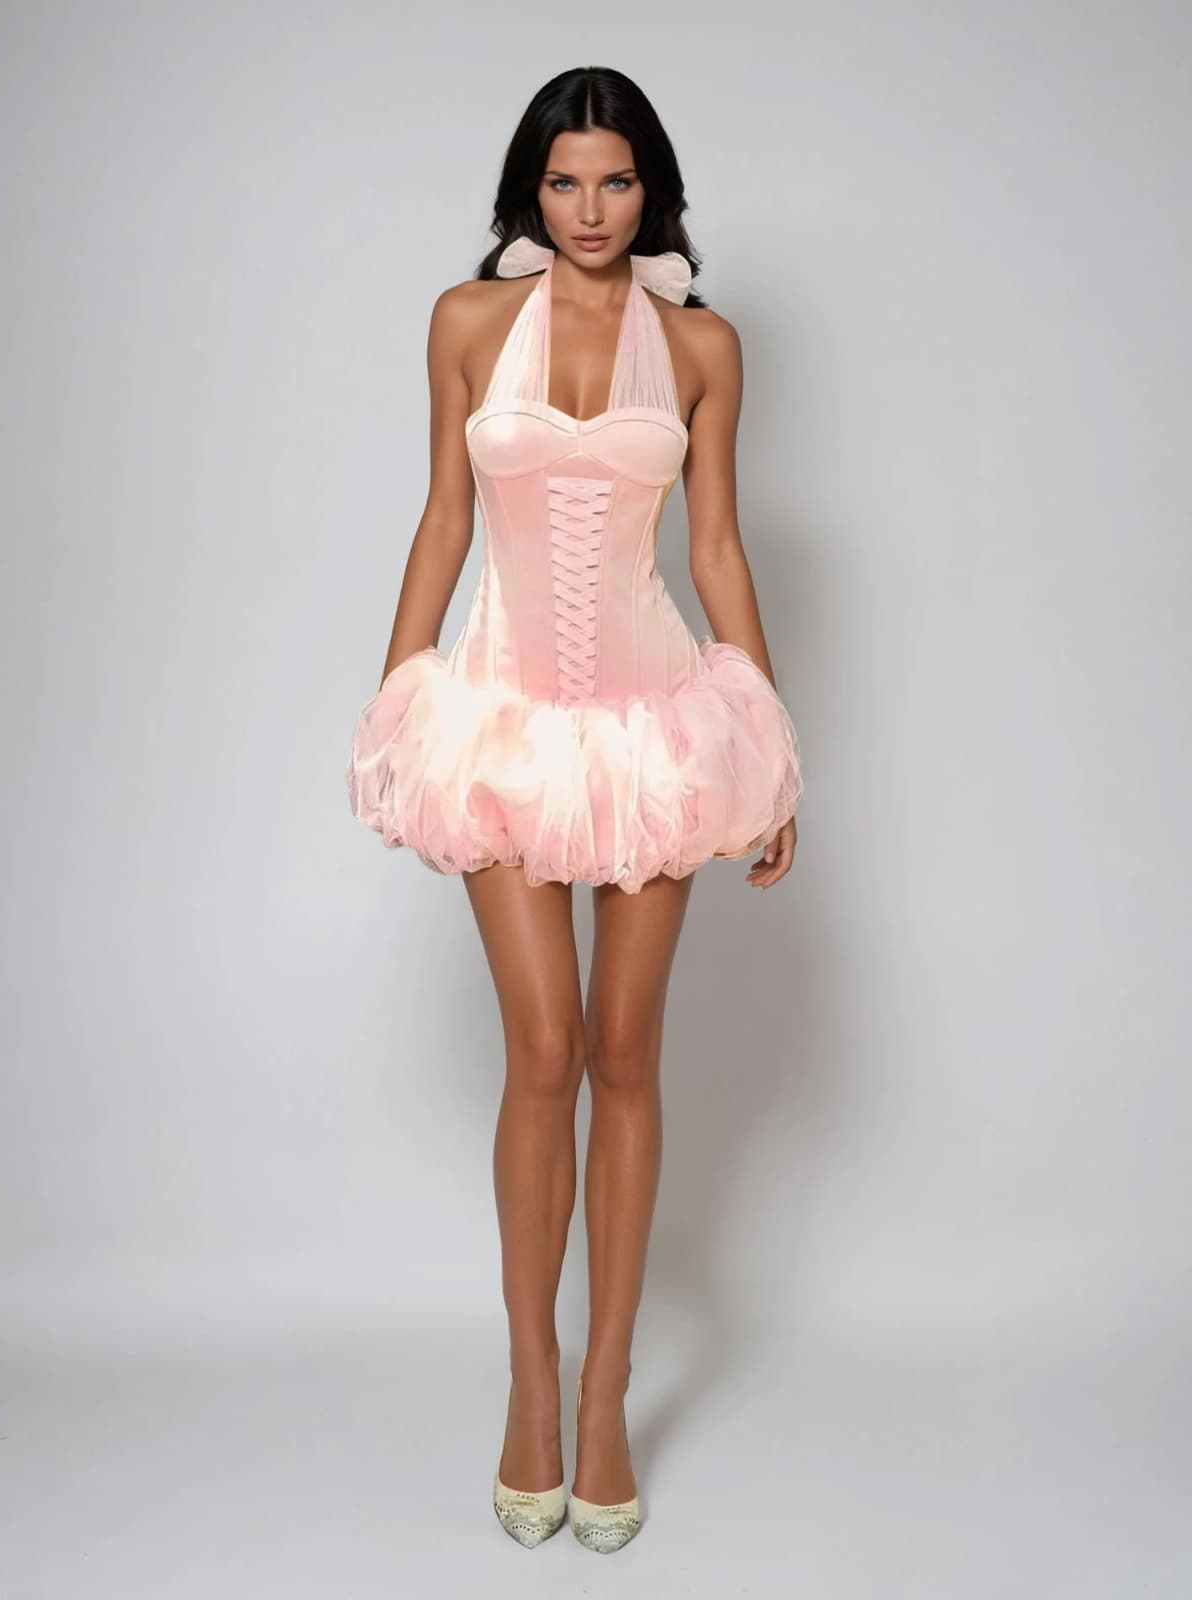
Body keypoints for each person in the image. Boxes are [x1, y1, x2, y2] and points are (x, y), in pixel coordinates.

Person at [346, 64, 804, 1552]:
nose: (590, 210)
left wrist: (768, 739)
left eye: (614, 181)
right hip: (500, 717)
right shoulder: (467, 322)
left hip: (655, 728)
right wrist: (400, 698)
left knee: (623, 1052)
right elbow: (445, 513)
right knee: (541, 1048)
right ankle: (530, 1387)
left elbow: (715, 546)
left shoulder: (706, 345)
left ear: (649, 187)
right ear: (529, 191)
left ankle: (606, 1398)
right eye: (563, 182)